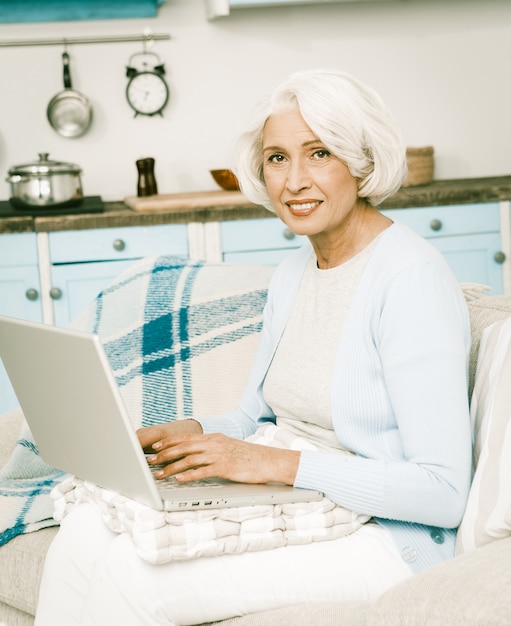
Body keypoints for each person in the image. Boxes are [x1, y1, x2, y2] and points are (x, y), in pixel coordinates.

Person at [35, 68, 472, 625]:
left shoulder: (409, 279)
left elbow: (442, 491)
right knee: (83, 531)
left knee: (131, 574)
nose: (294, 182)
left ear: (361, 164)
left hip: (389, 538)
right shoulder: (295, 271)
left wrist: (270, 463)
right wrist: (191, 435)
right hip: (305, 499)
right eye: (277, 158)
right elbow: (254, 414)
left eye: (319, 153)